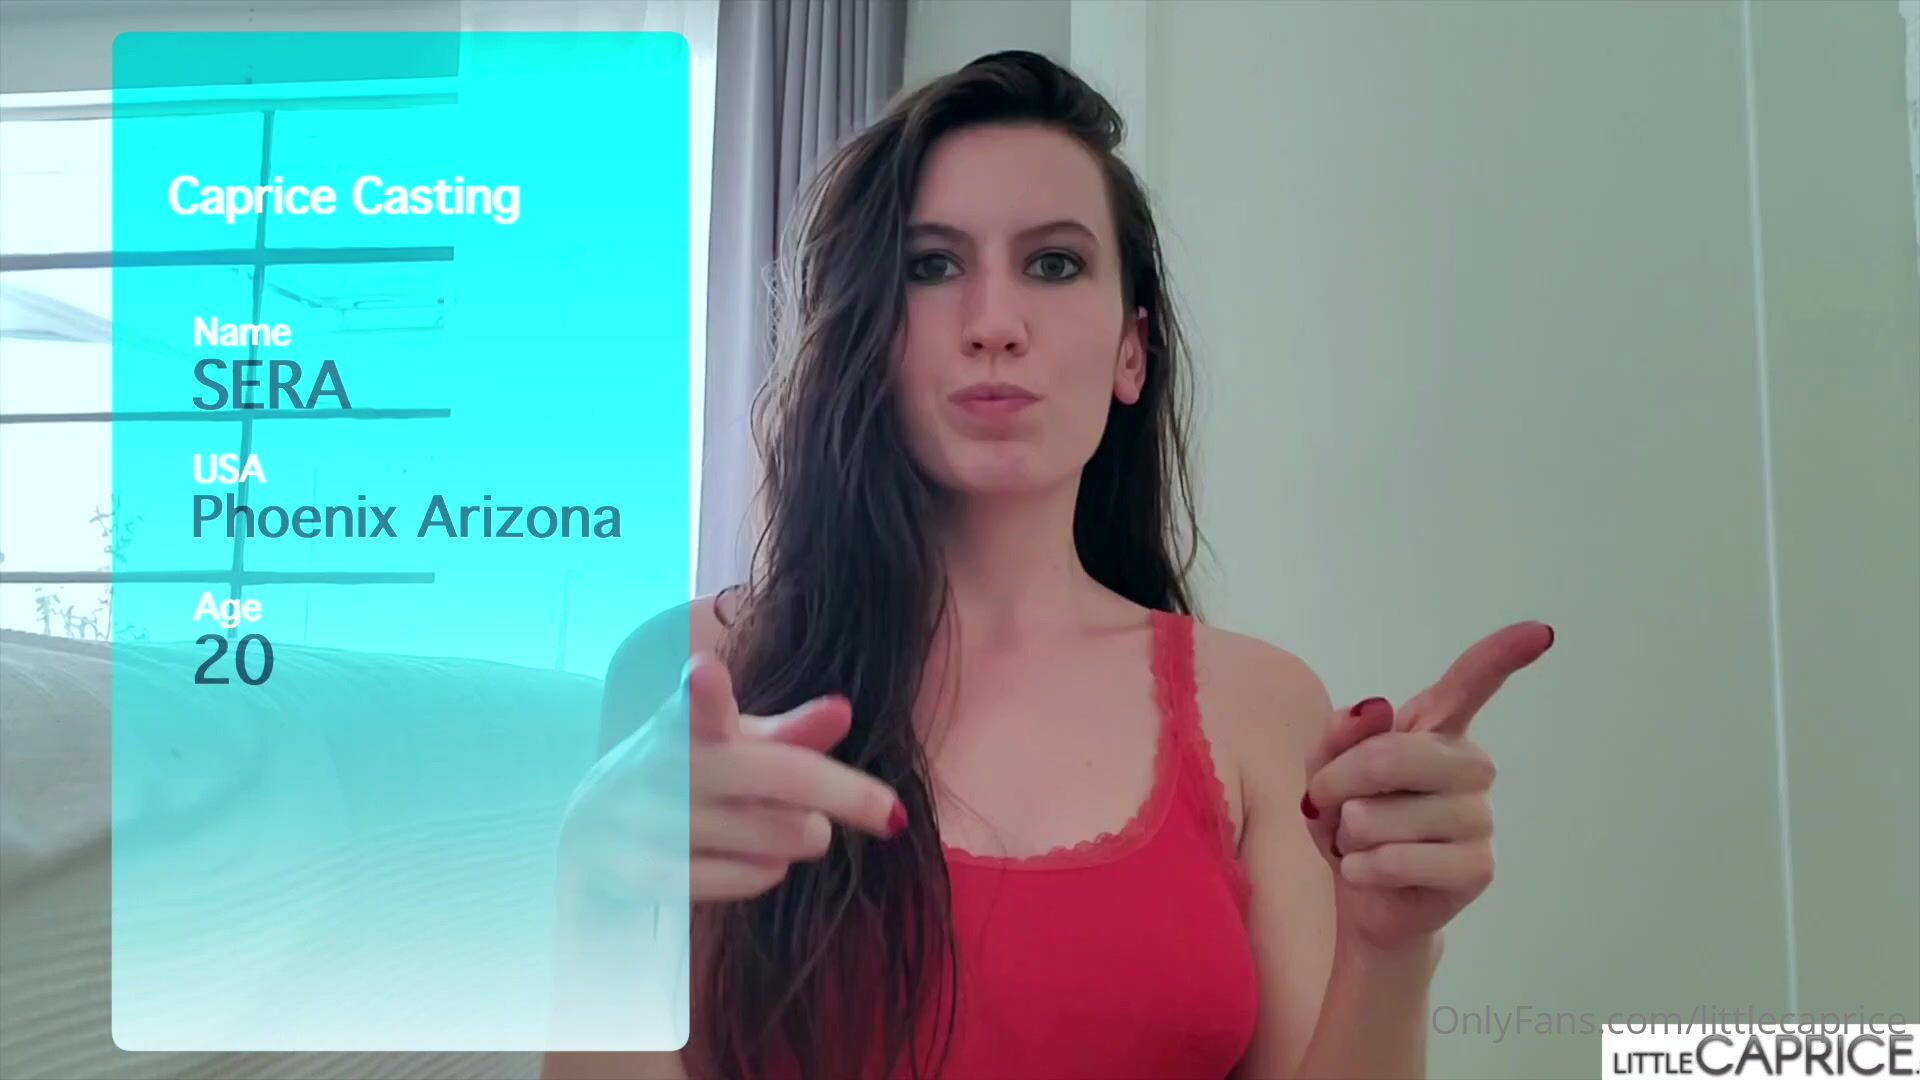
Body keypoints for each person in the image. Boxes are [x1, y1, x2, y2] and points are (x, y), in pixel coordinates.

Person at [545, 50, 1552, 1080]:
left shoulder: (1261, 706)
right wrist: (597, 907)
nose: (994, 325)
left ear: (1132, 352)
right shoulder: (691, 677)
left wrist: (1391, 948)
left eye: (1056, 264)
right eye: (930, 266)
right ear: (865, 335)